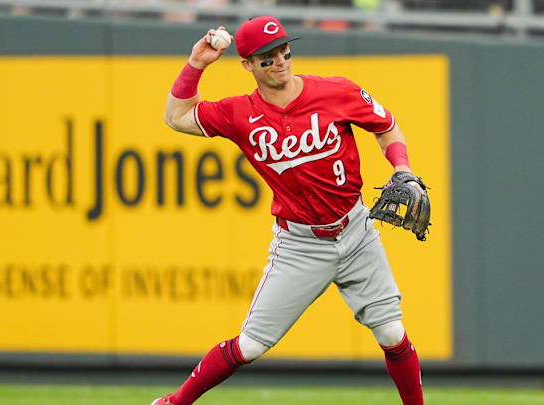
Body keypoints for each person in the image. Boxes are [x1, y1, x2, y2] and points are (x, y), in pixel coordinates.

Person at [152, 16, 425, 405]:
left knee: (392, 334)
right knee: (250, 345)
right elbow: (176, 116)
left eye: (284, 51)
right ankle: (172, 403)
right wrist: (197, 63)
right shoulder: (239, 113)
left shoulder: (337, 91)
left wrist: (402, 168)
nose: (280, 61)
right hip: (301, 245)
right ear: (247, 64)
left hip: (356, 231)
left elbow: (387, 127)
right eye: (267, 57)